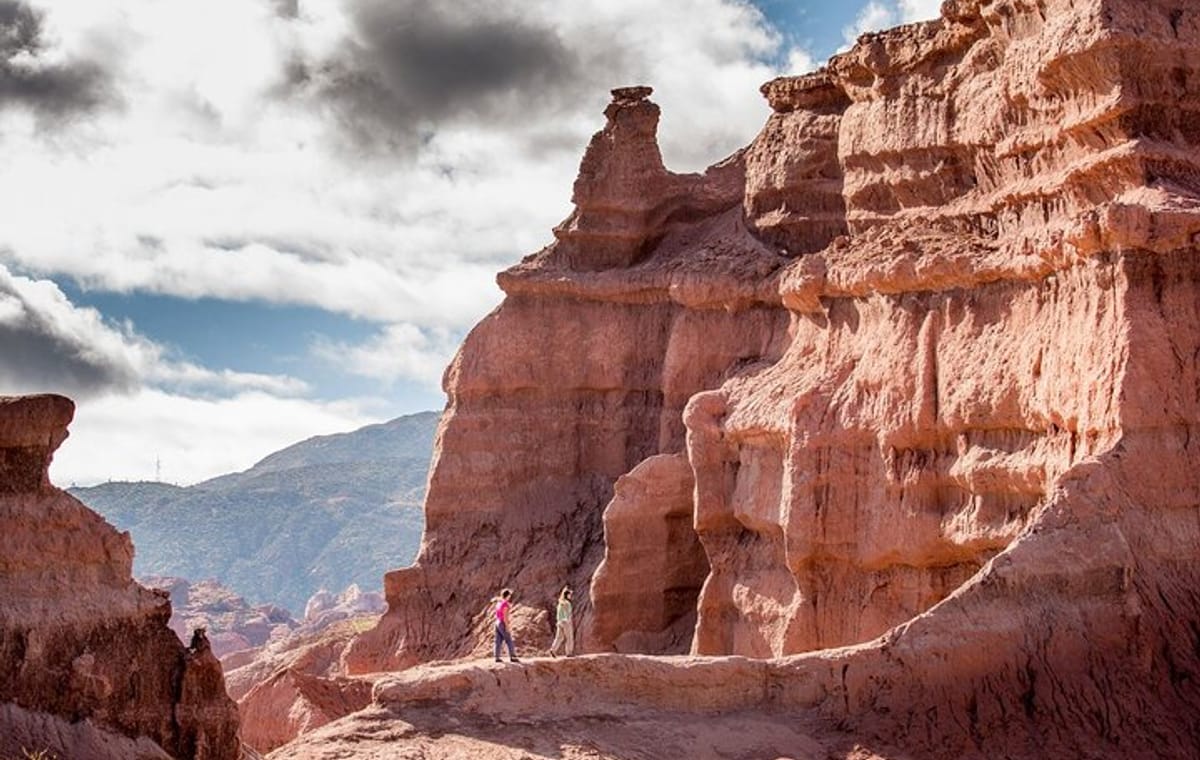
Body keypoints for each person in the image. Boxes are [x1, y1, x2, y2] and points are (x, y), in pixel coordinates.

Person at [493, 588, 519, 663]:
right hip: (502, 623)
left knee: (498, 641)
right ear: (507, 596)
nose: (510, 597)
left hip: (497, 622)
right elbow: (505, 617)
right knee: (509, 640)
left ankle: (497, 657)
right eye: (509, 596)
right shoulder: (505, 604)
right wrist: (507, 627)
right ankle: (513, 656)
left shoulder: (499, 603)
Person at [549, 585, 574, 657]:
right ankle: (569, 653)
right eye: (570, 594)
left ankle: (553, 649)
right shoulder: (567, 603)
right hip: (566, 622)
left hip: (559, 622)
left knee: (559, 637)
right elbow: (568, 613)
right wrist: (568, 621)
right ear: (567, 595)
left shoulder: (560, 603)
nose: (570, 596)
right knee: (569, 637)